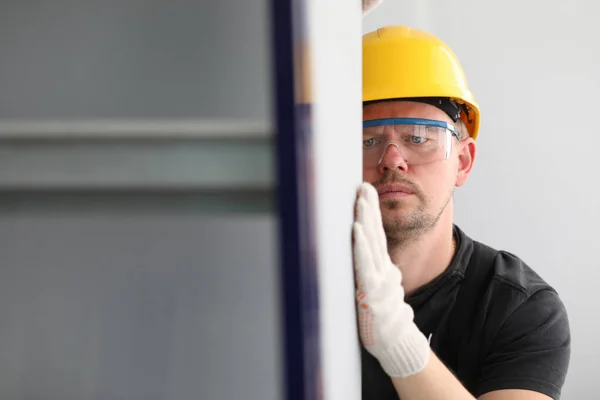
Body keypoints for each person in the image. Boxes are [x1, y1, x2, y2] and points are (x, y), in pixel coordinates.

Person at [353, 26, 571, 400]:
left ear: (463, 161)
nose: (392, 160)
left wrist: (396, 340)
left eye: (419, 137)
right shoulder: (290, 283)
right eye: (367, 140)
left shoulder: (519, 307)